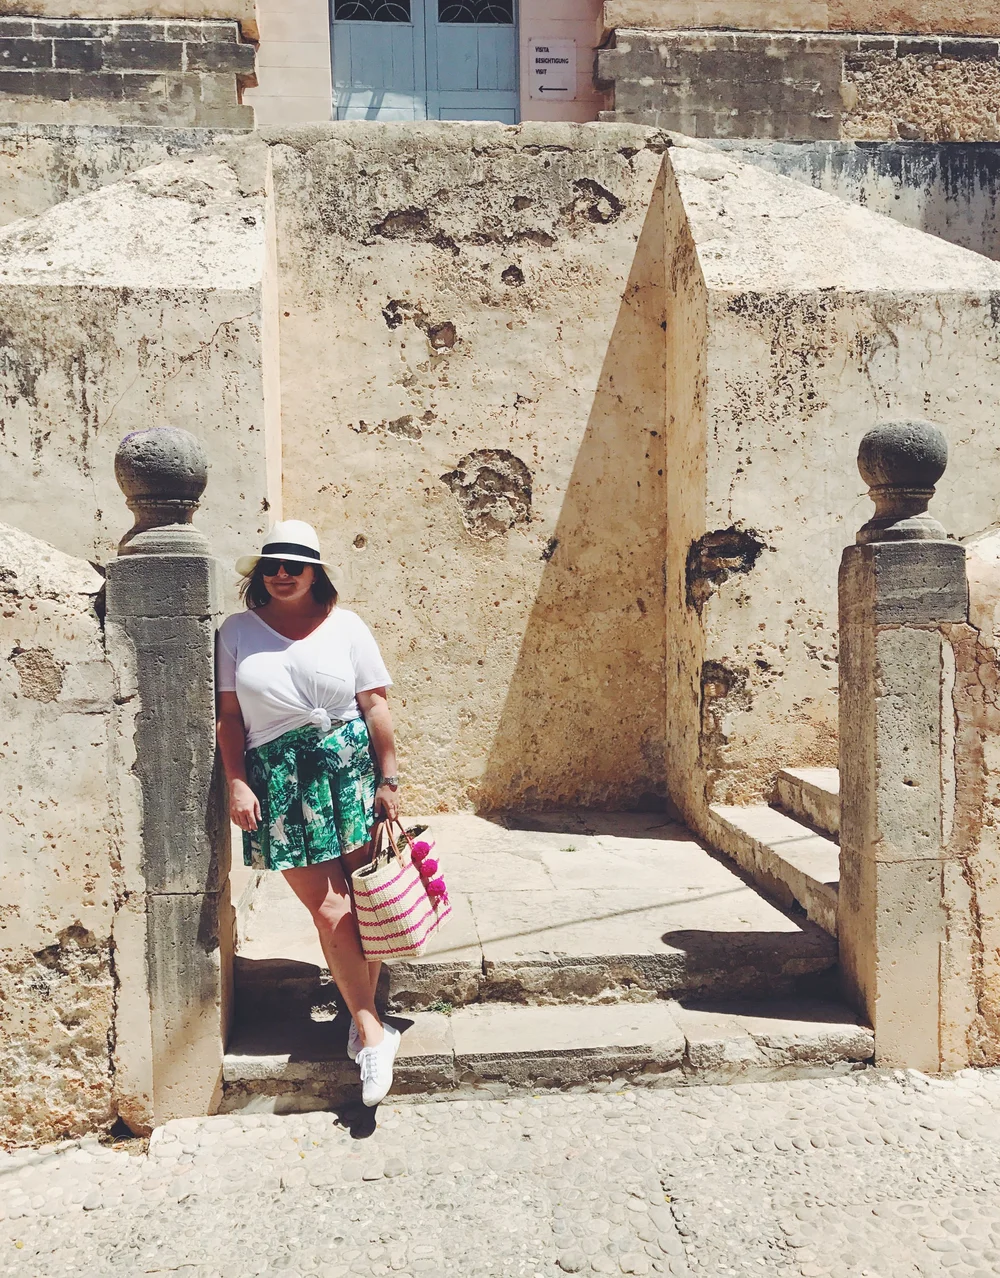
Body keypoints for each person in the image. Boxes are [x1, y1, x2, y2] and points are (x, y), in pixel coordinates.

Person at [216, 520, 402, 1108]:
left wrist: (389, 779)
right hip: (277, 781)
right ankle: (373, 1032)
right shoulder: (236, 631)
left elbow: (375, 706)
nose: (281, 573)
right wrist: (237, 783)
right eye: (272, 564)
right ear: (260, 573)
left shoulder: (347, 626)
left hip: (349, 772)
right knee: (329, 909)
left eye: (294, 565)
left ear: (315, 572)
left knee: (365, 901)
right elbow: (229, 719)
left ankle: (363, 1020)